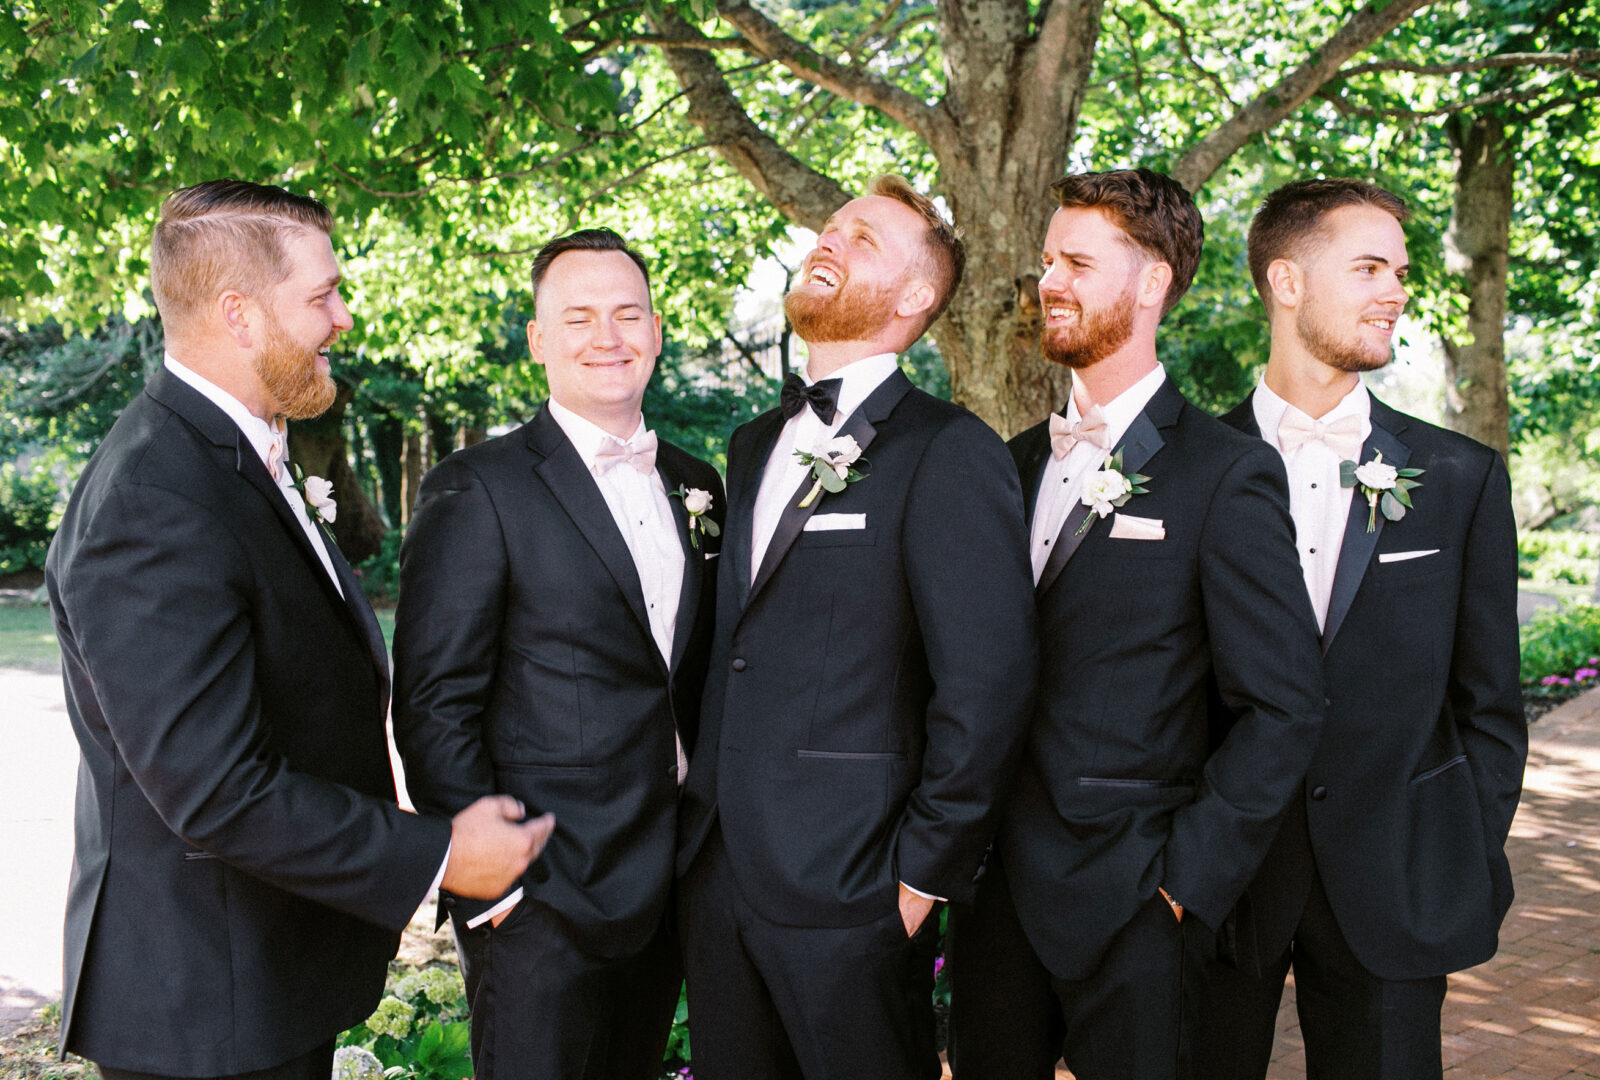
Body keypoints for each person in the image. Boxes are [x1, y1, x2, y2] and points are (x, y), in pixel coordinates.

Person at [45, 179, 551, 1080]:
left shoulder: (233, 452)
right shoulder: (153, 502)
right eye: (321, 296)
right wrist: (438, 853)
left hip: (259, 981)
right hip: (205, 1008)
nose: (343, 317)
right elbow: (215, 791)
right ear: (239, 315)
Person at [945, 168, 1327, 1080]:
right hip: (994, 898)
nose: (1051, 282)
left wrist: (1181, 886)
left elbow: (1285, 705)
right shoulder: (1009, 463)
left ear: (1153, 281)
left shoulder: (1227, 474)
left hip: (1136, 901)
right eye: (1047, 261)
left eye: (1077, 261)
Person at [674, 174, 1038, 1080]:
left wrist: (922, 877)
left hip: (856, 888)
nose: (828, 242)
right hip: (719, 880)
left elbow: (988, 685)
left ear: (916, 297)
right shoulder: (753, 444)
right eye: (830, 229)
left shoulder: (951, 453)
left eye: (864, 238)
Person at [1190, 178, 1526, 1079]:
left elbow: (1491, 701)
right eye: (1370, 266)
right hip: (1223, 885)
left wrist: (1456, 845)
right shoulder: (1192, 472)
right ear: (1285, 282)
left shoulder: (1460, 477)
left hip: (1396, 878)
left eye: (1401, 271)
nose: (1397, 291)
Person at [391, 227, 723, 1079]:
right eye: (578, 318)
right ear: (539, 340)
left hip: (669, 882)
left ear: (655, 329)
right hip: (539, 895)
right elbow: (432, 703)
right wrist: (493, 886)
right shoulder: (479, 487)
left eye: (626, 315)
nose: (606, 338)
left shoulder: (697, 483)